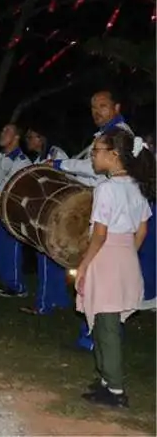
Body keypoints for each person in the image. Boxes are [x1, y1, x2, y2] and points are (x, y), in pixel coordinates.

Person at [49, 89, 156, 349]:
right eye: (93, 106)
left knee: (102, 285)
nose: (97, 111)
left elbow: (93, 169)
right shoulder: (109, 137)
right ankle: (97, 340)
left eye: (103, 105)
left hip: (111, 229)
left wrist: (63, 166)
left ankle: (96, 340)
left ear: (116, 106)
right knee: (107, 287)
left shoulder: (118, 137)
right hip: (117, 233)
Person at [76, 128, 154, 408]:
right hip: (125, 257)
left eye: (97, 151)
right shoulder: (136, 185)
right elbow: (142, 230)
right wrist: (127, 255)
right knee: (104, 322)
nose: (93, 156)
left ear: (114, 155)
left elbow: (100, 234)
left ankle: (116, 390)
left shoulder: (106, 188)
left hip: (106, 256)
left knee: (106, 326)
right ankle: (106, 381)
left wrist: (84, 265)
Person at [22, 123, 71, 315]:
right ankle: (59, 299)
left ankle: (44, 304)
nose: (28, 141)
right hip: (47, 213)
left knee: (46, 256)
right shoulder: (39, 158)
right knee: (52, 257)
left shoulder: (57, 155)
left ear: (41, 138)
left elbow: (66, 180)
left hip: (54, 213)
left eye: (31, 137)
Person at [0, 124, 32, 298]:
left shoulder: (22, 162)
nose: (2, 133)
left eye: (7, 131)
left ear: (16, 137)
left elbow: (10, 187)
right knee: (0, 246)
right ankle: (7, 282)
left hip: (12, 211)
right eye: (3, 130)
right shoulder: (1, 157)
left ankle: (18, 286)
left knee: (11, 247)